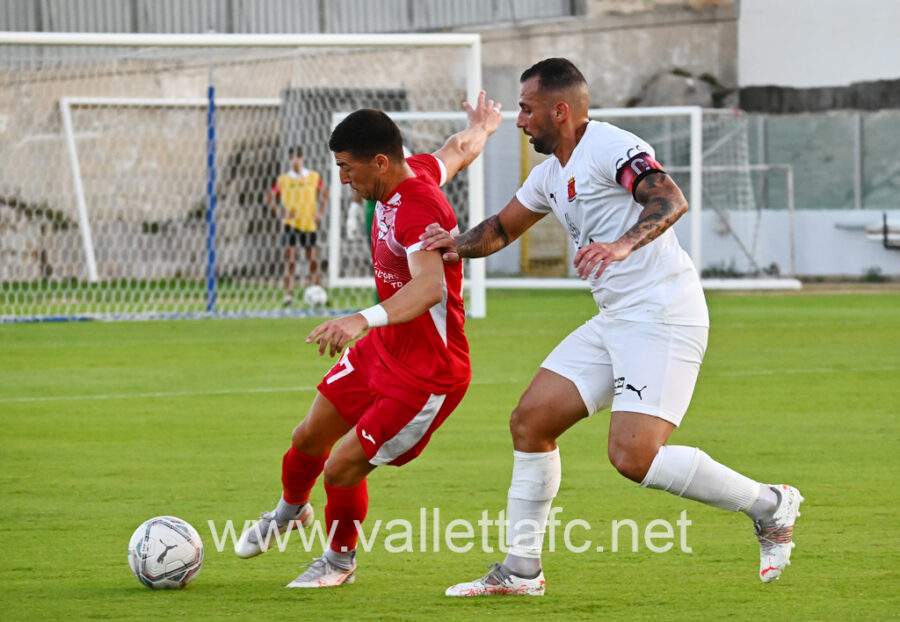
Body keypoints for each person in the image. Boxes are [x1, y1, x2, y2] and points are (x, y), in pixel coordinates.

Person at [420, 58, 803, 596]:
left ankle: (771, 505)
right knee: (531, 422)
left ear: (560, 110)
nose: (521, 120)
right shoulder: (550, 174)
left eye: (527, 109)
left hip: (663, 315)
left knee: (632, 457)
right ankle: (520, 572)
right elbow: (502, 229)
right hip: (618, 318)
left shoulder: (608, 145)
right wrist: (452, 245)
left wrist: (623, 243)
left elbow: (669, 197)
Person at [235, 92, 503, 588]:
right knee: (307, 437)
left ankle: (339, 563)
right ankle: (291, 510)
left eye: (347, 167)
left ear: (380, 162)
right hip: (386, 349)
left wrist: (360, 319)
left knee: (340, 469)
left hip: (428, 373)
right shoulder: (412, 172)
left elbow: (427, 288)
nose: (342, 178)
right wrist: (483, 127)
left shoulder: (419, 208)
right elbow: (457, 150)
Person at [266, 145, 329, 306]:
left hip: (309, 224)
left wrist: (320, 213)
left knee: (313, 260)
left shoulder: (313, 176)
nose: (296, 160)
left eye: (299, 157)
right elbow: (270, 198)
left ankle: (319, 293)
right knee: (291, 259)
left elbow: (325, 194)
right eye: (293, 157)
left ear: (303, 158)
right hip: (291, 224)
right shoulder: (283, 180)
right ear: (290, 159)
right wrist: (282, 213)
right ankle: (288, 295)